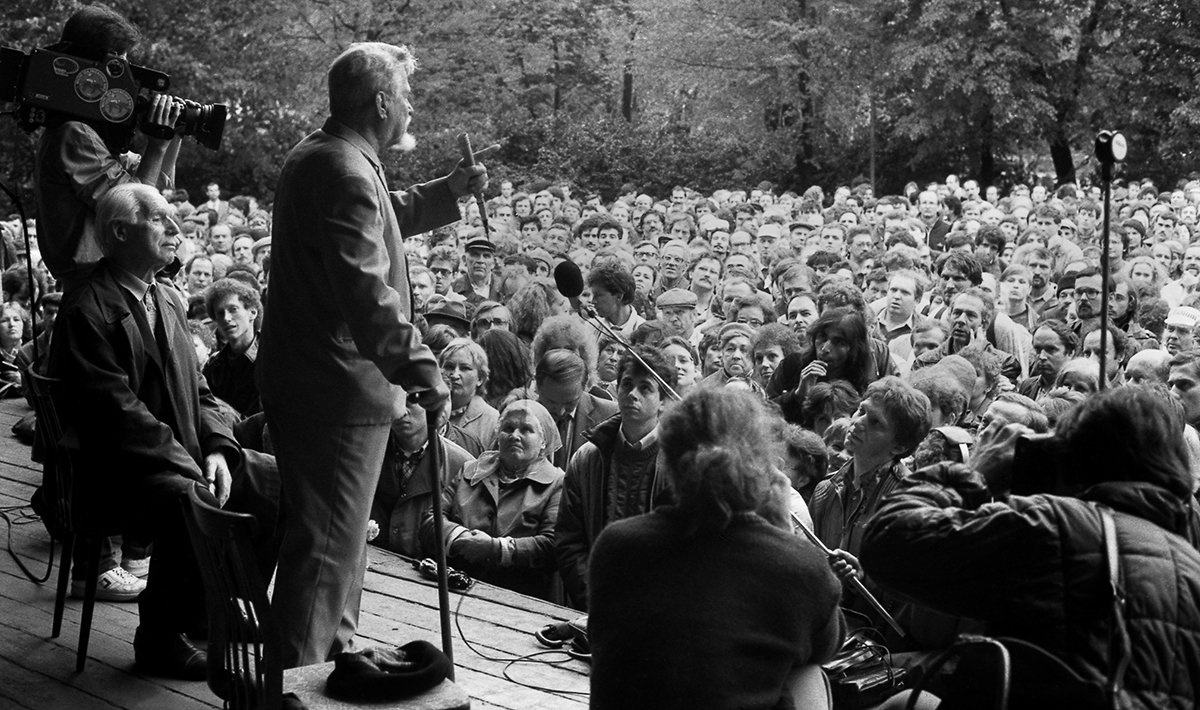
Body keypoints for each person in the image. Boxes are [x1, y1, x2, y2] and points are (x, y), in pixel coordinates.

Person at [259, 42, 490, 668]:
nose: (412, 110)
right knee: (328, 554)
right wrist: (423, 371)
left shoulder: (326, 154)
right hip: (335, 391)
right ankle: (293, 692)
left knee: (337, 547)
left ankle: (333, 672)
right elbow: (368, 296)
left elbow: (380, 217)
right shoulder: (345, 171)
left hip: (306, 380)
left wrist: (450, 191)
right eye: (407, 98)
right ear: (382, 101)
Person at [47, 183, 279, 679]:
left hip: (185, 454)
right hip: (116, 469)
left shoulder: (166, 297)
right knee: (190, 499)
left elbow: (200, 391)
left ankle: (206, 611)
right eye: (160, 220)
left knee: (278, 484)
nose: (175, 230)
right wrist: (191, 465)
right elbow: (117, 414)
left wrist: (218, 446)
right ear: (120, 231)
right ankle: (158, 638)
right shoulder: (86, 308)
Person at [861, 387, 1200, 708]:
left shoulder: (1058, 525)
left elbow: (888, 545)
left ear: (1072, 453)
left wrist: (975, 472)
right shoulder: (1191, 567)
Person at [588, 387, 845, 710]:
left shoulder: (617, 544)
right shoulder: (799, 566)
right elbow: (826, 646)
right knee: (809, 671)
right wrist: (782, 532)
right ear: (762, 463)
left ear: (666, 457)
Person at [34, 4, 183, 291]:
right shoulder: (74, 134)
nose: (125, 77)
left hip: (109, 283)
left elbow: (162, 186)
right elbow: (139, 209)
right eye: (118, 65)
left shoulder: (90, 136)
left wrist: (173, 134)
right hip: (94, 287)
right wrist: (157, 144)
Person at [555, 346, 677, 609]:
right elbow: (569, 540)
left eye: (645, 388)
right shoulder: (587, 458)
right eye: (627, 384)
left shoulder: (680, 465)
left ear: (664, 401)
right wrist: (594, 600)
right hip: (596, 606)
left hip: (659, 612)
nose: (633, 394)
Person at [424, 399, 565, 599]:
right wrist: (458, 538)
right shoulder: (471, 470)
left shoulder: (557, 483)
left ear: (543, 441)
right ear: (498, 434)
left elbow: (551, 545)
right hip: (453, 589)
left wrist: (496, 549)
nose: (514, 436)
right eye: (508, 428)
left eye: (526, 430)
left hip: (517, 599)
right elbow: (431, 518)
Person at [369, 396, 475, 558]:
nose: (401, 411)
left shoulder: (461, 465)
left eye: (410, 402)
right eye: (395, 402)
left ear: (432, 406)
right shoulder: (367, 451)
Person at [201, 278, 262, 416]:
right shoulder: (214, 366)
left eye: (233, 309)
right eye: (220, 313)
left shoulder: (271, 359)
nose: (226, 318)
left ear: (252, 312)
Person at [440, 338, 499, 448]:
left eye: (465, 368)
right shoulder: (424, 408)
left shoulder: (491, 420)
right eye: (449, 367)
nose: (455, 374)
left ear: (480, 378)